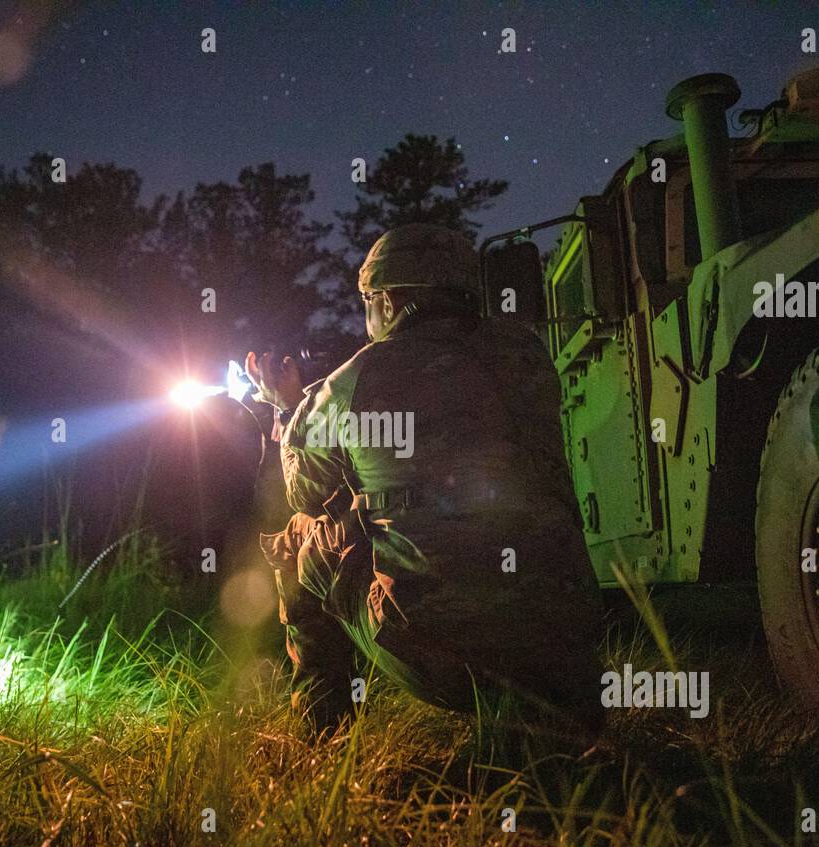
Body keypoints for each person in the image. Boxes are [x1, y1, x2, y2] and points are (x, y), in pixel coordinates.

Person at [246, 223, 605, 750]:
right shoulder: (527, 354)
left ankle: (322, 737)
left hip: (450, 660)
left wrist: (288, 407)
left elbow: (304, 491)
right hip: (567, 648)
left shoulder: (353, 380)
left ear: (388, 301)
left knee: (301, 534)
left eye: (367, 300)